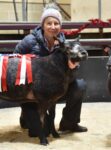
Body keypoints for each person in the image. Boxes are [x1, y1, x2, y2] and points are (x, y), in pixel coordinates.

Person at [14, 3, 87, 133]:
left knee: (79, 86)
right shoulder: (29, 41)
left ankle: (69, 123)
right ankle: (26, 115)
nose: (53, 27)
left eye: (56, 23)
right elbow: (15, 62)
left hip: (55, 88)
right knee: (40, 131)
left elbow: (73, 72)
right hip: (33, 92)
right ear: (43, 25)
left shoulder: (66, 44)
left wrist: (72, 68)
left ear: (60, 25)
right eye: (49, 23)